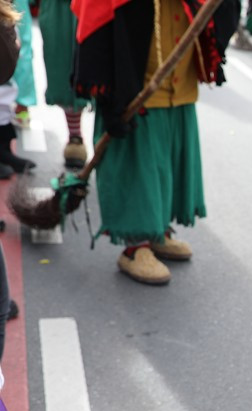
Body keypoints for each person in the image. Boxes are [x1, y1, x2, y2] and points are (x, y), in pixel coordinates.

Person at [71, 0, 238, 285]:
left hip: (178, 80)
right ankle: (136, 245)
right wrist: (110, 98)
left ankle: (158, 230)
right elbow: (96, 17)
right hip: (137, 87)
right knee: (140, 168)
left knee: (167, 164)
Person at [39, 0, 91, 168]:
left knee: (102, 71)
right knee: (62, 70)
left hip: (97, 7)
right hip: (59, 9)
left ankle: (108, 138)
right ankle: (75, 136)